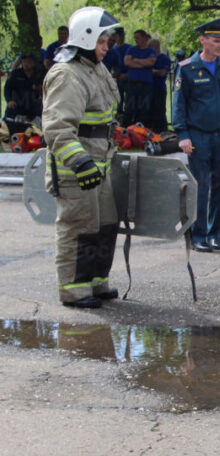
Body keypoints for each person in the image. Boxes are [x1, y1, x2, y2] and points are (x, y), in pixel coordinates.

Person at [42, 6, 121, 309]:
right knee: (78, 227)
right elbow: (57, 128)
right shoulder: (67, 74)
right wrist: (79, 162)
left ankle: (96, 282)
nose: (106, 48)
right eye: (101, 42)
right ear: (86, 38)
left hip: (99, 166)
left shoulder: (94, 68)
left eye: (107, 42)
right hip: (76, 170)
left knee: (104, 225)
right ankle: (74, 290)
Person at [172, 18, 220, 253]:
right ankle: (199, 235)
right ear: (203, 40)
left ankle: (215, 234)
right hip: (197, 136)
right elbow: (179, 104)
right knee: (200, 185)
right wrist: (183, 135)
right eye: (216, 41)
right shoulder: (187, 68)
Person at [122, 29, 156, 126]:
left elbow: (151, 62)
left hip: (146, 84)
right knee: (129, 107)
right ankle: (127, 127)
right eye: (135, 38)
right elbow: (127, 62)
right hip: (132, 83)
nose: (136, 40)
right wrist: (143, 65)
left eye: (138, 38)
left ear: (144, 38)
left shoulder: (151, 50)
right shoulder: (131, 50)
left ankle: (142, 128)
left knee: (144, 108)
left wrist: (136, 60)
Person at [4, 53, 43, 122]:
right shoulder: (15, 73)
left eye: (29, 62)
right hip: (17, 105)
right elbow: (7, 89)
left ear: (34, 63)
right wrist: (9, 100)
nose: (26, 64)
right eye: (24, 62)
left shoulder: (39, 74)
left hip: (34, 107)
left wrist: (40, 88)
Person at [149, 39, 170, 132]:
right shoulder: (149, 59)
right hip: (148, 90)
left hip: (159, 89)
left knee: (160, 112)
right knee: (150, 112)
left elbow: (162, 73)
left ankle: (163, 131)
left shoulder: (164, 59)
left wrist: (151, 71)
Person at [111, 27, 132, 117]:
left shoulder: (130, 48)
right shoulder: (112, 49)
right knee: (118, 99)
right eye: (119, 36)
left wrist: (127, 74)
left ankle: (128, 117)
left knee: (129, 101)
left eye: (122, 36)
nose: (121, 38)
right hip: (117, 78)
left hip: (129, 78)